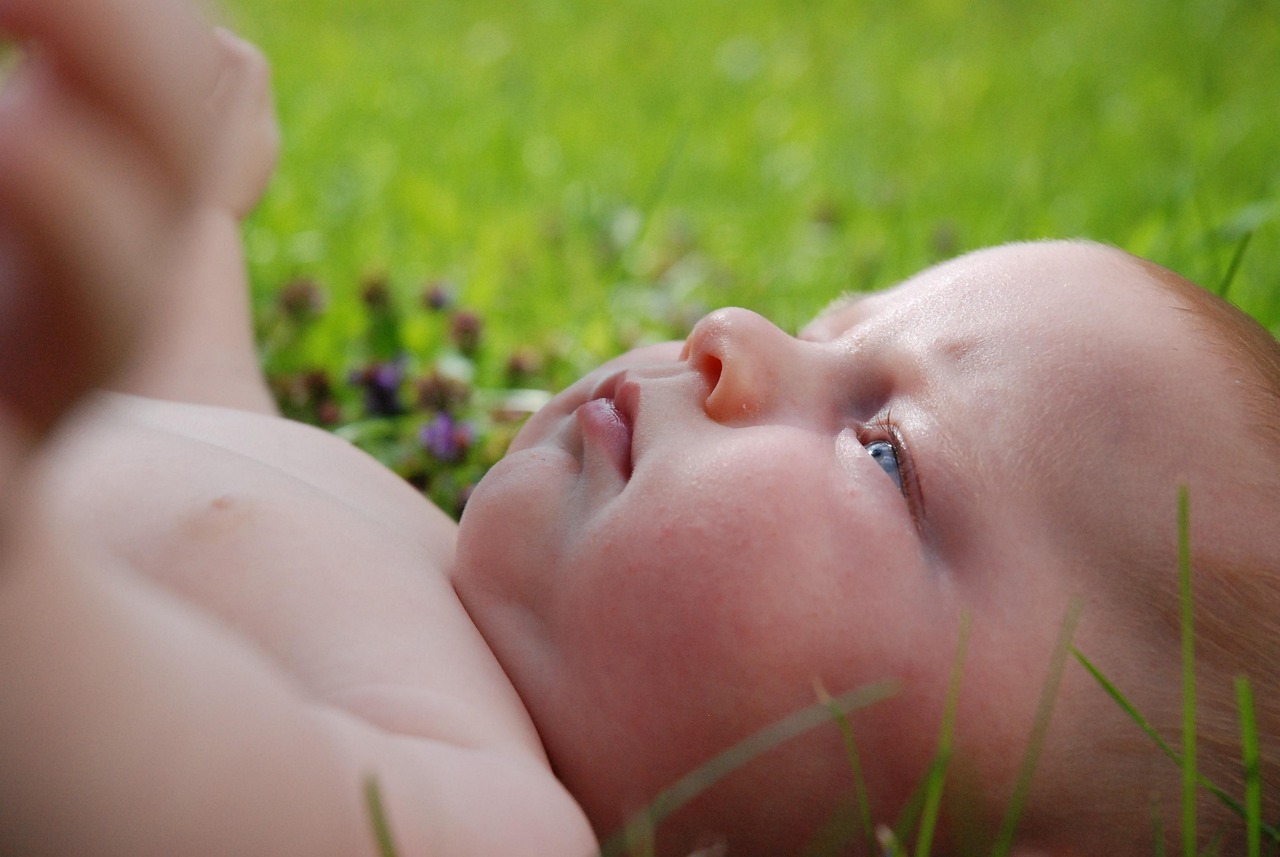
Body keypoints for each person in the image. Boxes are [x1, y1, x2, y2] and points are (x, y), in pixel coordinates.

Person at [0, 0, 1276, 855]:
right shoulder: (396, 558)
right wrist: (189, 202)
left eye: (883, 451)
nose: (731, 333)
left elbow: (86, 735)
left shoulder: (484, 818)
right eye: (825, 324)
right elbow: (209, 402)